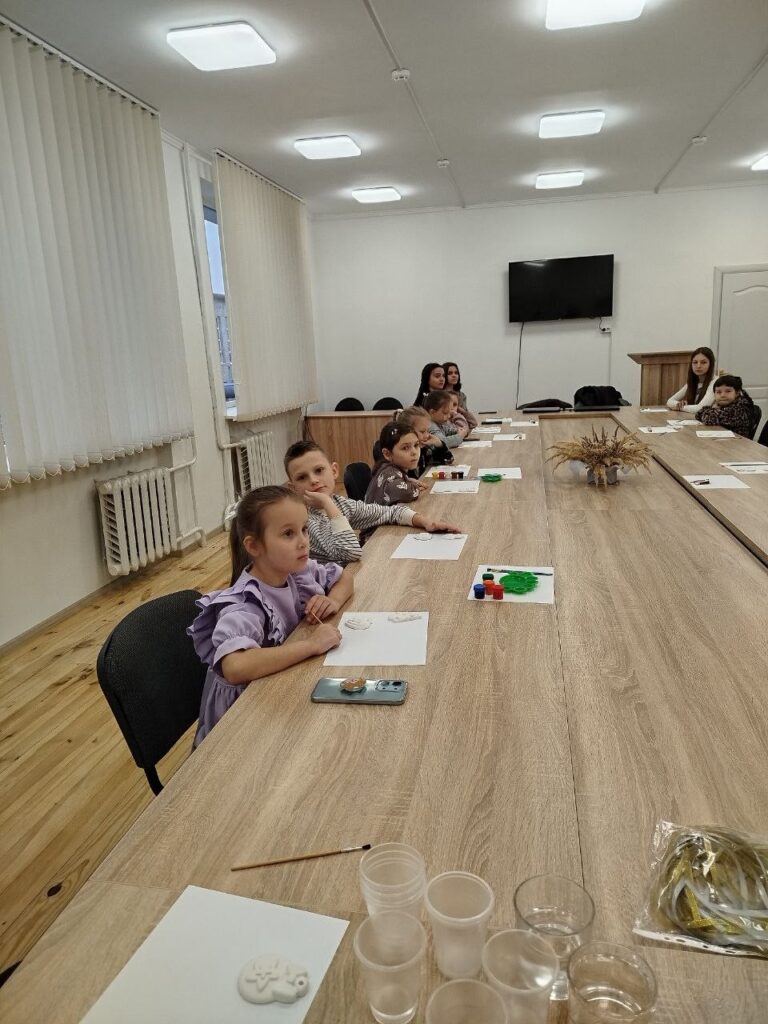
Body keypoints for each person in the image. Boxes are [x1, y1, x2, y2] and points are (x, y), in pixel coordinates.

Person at [188, 486, 353, 746]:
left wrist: (331, 601)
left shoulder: (294, 571)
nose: (303, 541)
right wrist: (311, 645)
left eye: (304, 529)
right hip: (238, 728)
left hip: (278, 697)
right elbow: (235, 667)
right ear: (254, 546)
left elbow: (345, 577)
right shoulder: (244, 604)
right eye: (288, 534)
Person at [284, 441, 460, 564]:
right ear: (293, 488)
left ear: (334, 471)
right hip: (327, 596)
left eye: (319, 470)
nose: (313, 480)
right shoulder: (304, 523)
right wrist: (327, 504)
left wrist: (427, 522)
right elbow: (350, 553)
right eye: (302, 477)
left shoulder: (340, 504)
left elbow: (389, 512)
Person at [365, 423, 426, 506]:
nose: (414, 452)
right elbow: (405, 493)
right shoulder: (388, 472)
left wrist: (407, 481)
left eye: (416, 445)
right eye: (405, 448)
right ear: (387, 454)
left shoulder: (389, 469)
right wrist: (414, 486)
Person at [395, 405, 454, 473]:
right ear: (407, 431)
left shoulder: (425, 449)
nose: (427, 435)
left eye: (428, 431)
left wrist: (440, 445)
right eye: (422, 432)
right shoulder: (401, 455)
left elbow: (448, 461)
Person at [666, 347, 717, 413]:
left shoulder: (715, 382)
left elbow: (700, 409)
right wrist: (679, 404)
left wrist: (681, 407)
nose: (698, 366)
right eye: (695, 362)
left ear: (711, 364)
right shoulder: (693, 382)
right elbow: (669, 401)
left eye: (703, 362)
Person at [442, 361, 477, 428]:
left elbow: (471, 422)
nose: (454, 375)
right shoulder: (439, 395)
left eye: (456, 373)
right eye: (450, 373)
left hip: (462, 426)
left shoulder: (461, 395)